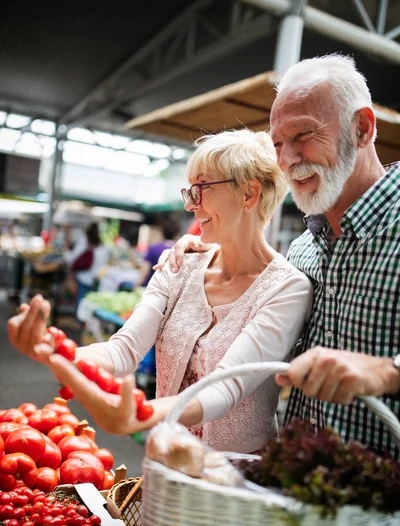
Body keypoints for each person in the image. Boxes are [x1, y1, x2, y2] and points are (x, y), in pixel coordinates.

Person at [8, 130, 312, 453]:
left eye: (202, 188)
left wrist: (139, 415)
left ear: (249, 195)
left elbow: (225, 389)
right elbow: (123, 350)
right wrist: (57, 351)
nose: (190, 204)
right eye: (190, 190)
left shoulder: (286, 288)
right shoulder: (180, 265)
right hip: (168, 469)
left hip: (235, 488)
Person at [157, 54, 400, 458]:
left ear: (362, 128)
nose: (287, 159)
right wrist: (211, 249)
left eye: (304, 135)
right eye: (277, 144)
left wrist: (390, 371)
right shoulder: (303, 251)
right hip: (297, 489)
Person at [65, 222, 109, 309]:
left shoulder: (84, 242)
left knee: (80, 304)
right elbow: (103, 264)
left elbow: (71, 259)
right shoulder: (103, 246)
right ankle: (84, 321)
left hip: (83, 278)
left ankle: (80, 321)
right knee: (90, 305)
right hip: (95, 280)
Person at [135, 216, 181, 287]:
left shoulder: (153, 248)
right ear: (176, 234)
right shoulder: (179, 250)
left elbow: (145, 271)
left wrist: (136, 285)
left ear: (163, 233)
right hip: (170, 289)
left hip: (151, 287)